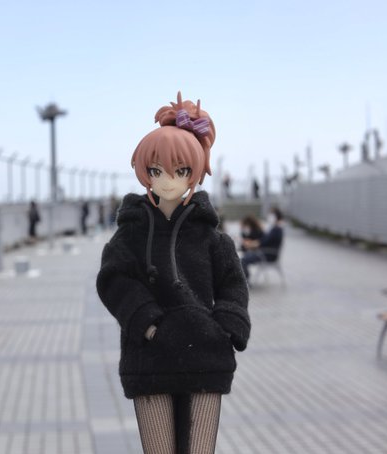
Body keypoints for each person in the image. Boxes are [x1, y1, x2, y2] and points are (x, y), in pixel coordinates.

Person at [96, 91, 250, 454]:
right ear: (145, 173)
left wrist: (226, 327)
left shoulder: (212, 238)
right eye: (156, 170)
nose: (167, 180)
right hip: (149, 359)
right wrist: (146, 322)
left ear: (194, 173)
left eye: (180, 171)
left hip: (205, 357)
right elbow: (113, 279)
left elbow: (233, 285)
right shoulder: (130, 234)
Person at [240, 207, 284, 281]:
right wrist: (250, 244)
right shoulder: (276, 229)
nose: (269, 217)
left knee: (243, 260)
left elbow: (262, 242)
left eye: (271, 215)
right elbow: (263, 241)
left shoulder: (276, 230)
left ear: (275, 216)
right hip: (266, 253)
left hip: (267, 255)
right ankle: (245, 280)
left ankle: (245, 281)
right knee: (245, 257)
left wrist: (250, 244)